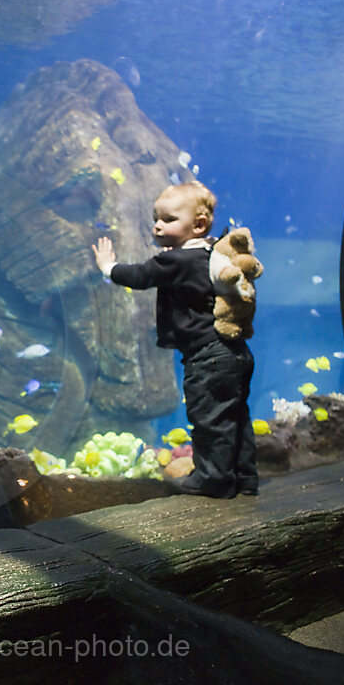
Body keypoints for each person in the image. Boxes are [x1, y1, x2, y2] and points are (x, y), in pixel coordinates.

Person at [91, 181, 257, 498]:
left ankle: (214, 479)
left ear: (198, 224)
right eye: (156, 218)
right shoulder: (210, 253)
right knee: (235, 416)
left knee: (208, 419)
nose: (157, 225)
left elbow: (140, 275)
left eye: (168, 219)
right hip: (234, 352)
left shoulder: (175, 261)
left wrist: (108, 267)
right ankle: (244, 477)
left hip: (207, 356)